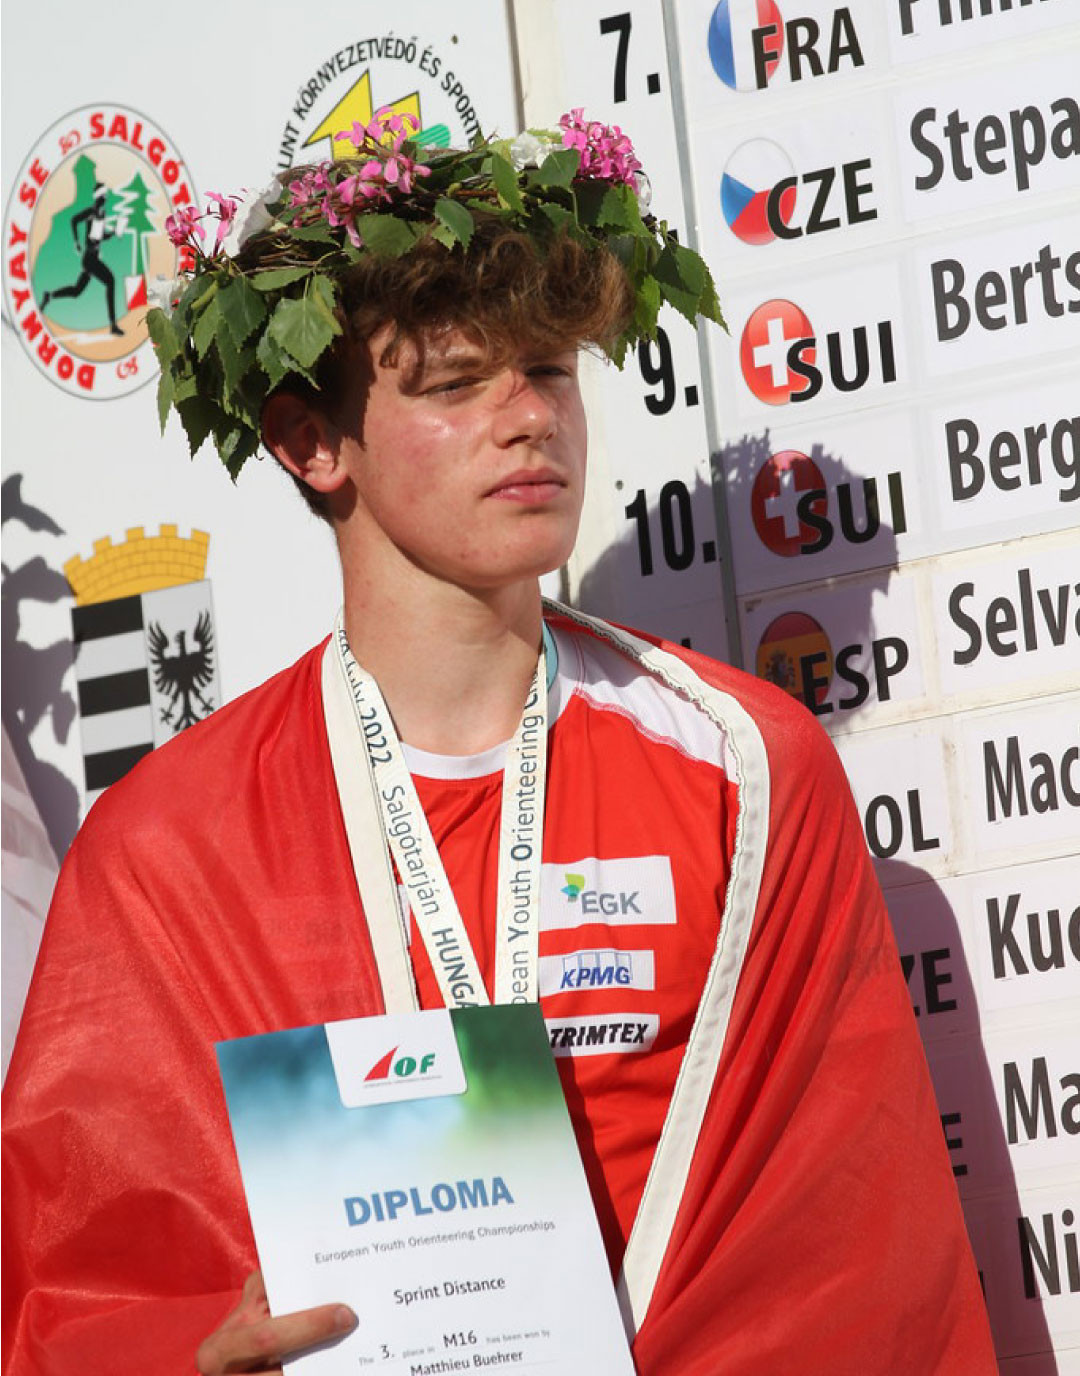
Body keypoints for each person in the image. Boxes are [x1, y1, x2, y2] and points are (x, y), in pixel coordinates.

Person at [2, 112, 997, 1376]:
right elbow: (81, 1290)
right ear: (315, 442)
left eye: (552, 373)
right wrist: (198, 1357)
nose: (530, 419)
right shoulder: (166, 851)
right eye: (456, 383)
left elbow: (856, 1256)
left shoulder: (748, 770)